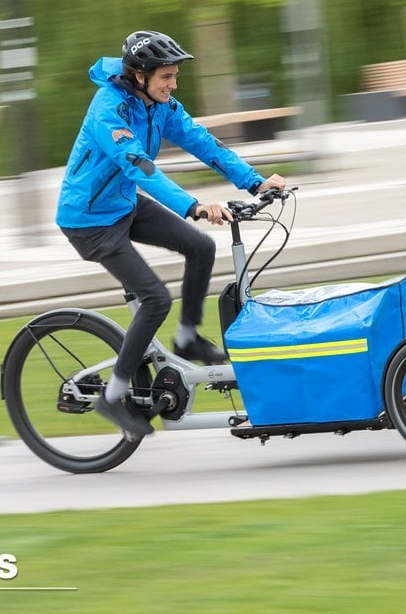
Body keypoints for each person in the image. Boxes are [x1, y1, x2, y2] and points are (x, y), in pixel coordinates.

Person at [56, 30, 285, 440]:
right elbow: (137, 165)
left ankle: (186, 338)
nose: (173, 84)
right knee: (156, 298)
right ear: (140, 75)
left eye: (175, 75)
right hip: (89, 219)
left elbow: (203, 142)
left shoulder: (158, 105)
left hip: (122, 205)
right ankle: (114, 393)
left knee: (200, 246)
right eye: (166, 76)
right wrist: (191, 205)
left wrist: (254, 183)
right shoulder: (109, 108)